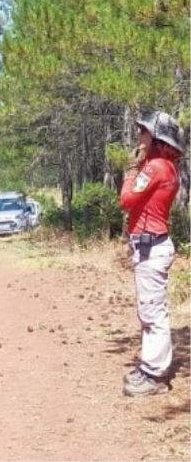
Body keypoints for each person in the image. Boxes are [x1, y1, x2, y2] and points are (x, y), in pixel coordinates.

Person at [119, 111, 184, 397]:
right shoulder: (168, 167)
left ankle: (155, 374)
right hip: (154, 245)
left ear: (156, 138)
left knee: (153, 312)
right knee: (150, 309)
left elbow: (126, 200)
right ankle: (150, 365)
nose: (139, 137)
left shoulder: (154, 168)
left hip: (150, 246)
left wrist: (133, 169)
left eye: (143, 132)